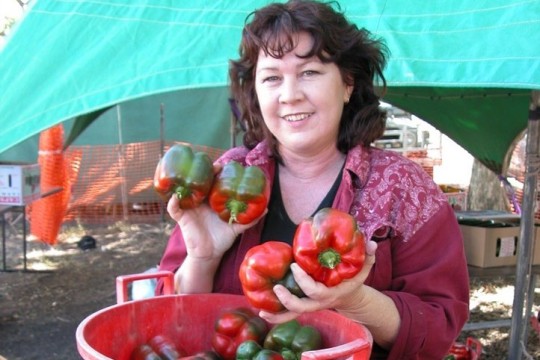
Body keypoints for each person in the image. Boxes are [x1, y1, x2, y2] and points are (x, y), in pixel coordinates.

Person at [156, 0, 470, 358]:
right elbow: (171, 319)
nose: (290, 95)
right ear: (256, 92)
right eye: (272, 77)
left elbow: (439, 325)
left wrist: (356, 300)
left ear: (348, 83)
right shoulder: (224, 176)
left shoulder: (403, 188)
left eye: (310, 73)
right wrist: (202, 256)